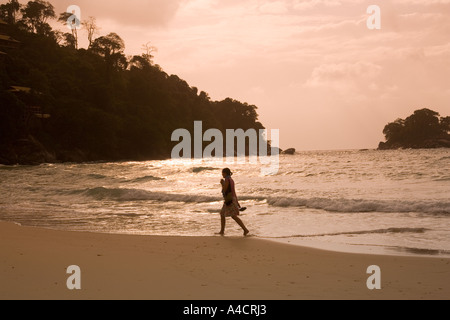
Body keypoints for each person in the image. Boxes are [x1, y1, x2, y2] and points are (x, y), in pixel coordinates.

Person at [218, 168, 250, 236]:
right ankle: (222, 231)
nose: (222, 174)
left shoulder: (227, 179)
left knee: (233, 216)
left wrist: (222, 183)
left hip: (230, 200)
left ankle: (245, 229)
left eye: (222, 173)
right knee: (223, 214)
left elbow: (224, 190)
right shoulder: (231, 180)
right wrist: (237, 202)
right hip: (232, 199)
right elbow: (233, 191)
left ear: (225, 173)